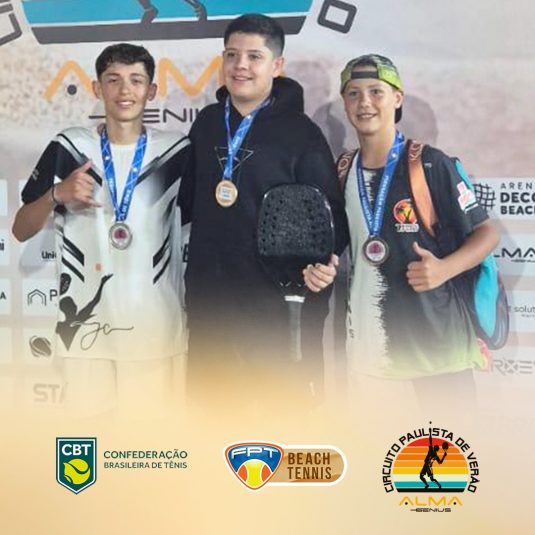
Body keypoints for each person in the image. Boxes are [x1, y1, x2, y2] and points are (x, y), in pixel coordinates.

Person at [179, 13, 348, 406]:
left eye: (254, 56)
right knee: (209, 420)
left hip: (276, 311)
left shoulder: (301, 133)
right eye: (232, 55)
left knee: (277, 420)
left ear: (277, 65)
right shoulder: (207, 123)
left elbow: (331, 218)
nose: (240, 65)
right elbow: (185, 203)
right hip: (210, 306)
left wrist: (324, 263)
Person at [12, 43, 190, 415]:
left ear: (151, 91)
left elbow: (202, 232)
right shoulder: (70, 147)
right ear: (97, 88)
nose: (125, 90)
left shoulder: (177, 151)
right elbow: (20, 229)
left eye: (136, 80)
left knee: (151, 447)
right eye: (113, 80)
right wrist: (57, 194)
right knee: (88, 449)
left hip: (154, 334)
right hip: (83, 337)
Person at [327, 54, 499, 409]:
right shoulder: (342, 170)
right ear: (345, 103)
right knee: (377, 444)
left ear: (397, 98)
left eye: (376, 91)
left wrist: (444, 269)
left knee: (450, 446)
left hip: (439, 348)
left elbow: (487, 234)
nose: (365, 102)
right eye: (354, 93)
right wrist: (323, 266)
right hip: (370, 352)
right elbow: (338, 242)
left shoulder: (431, 163)